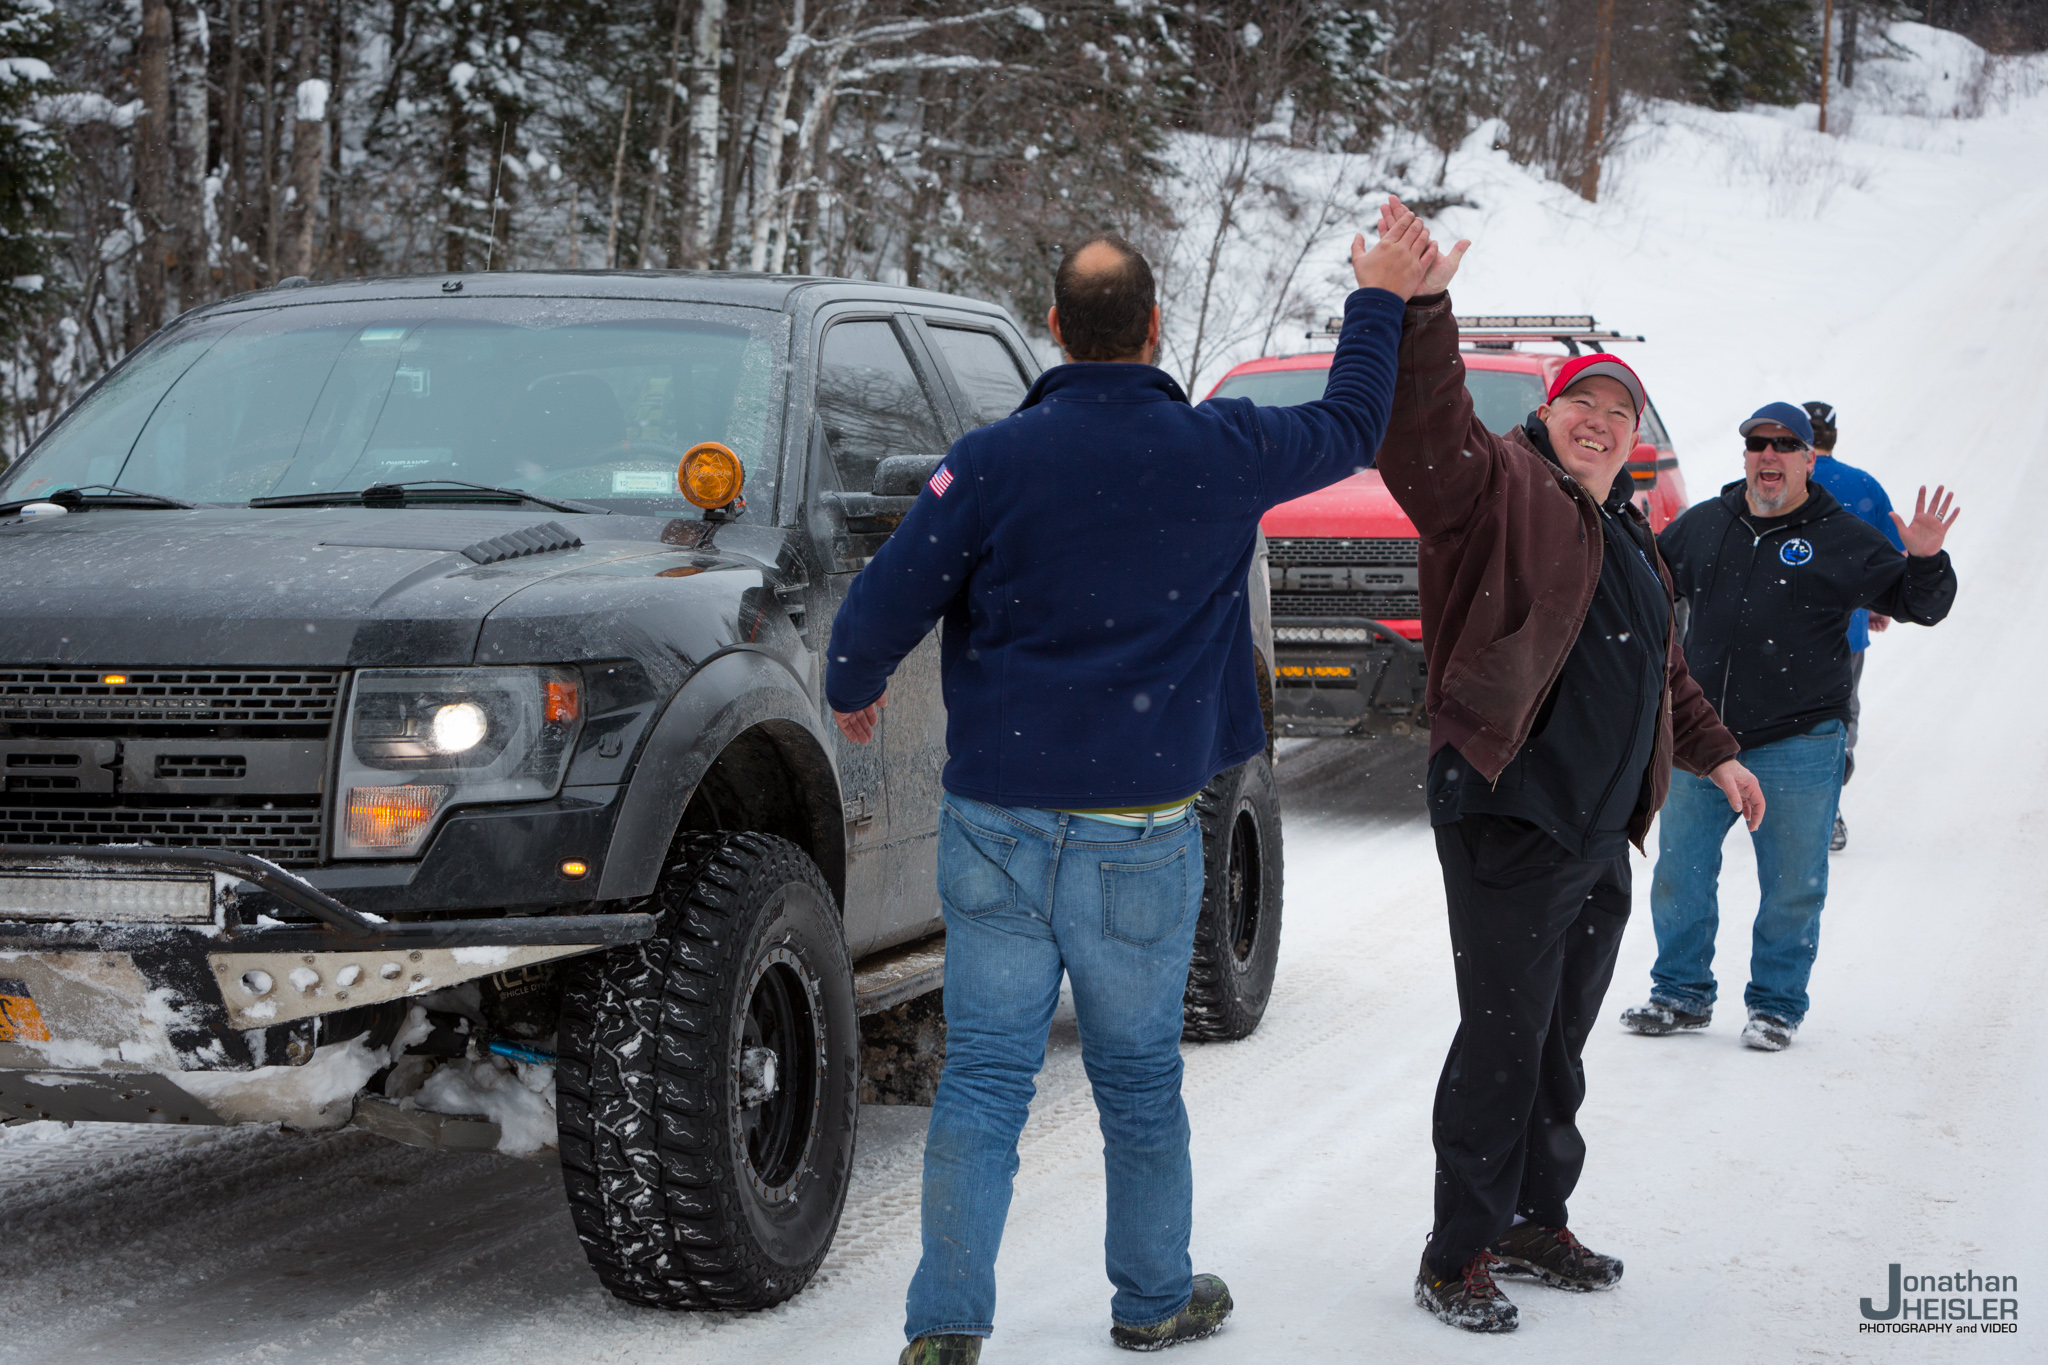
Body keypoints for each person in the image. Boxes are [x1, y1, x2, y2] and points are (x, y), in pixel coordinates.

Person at [826, 211, 1442, 1364]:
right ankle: (1153, 1299)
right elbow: (1358, 421)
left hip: (997, 828)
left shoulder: (991, 461)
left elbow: (880, 606)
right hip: (1140, 836)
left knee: (986, 1082)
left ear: (1052, 329)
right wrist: (1376, 297)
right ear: (1155, 327)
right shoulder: (1223, 449)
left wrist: (853, 682)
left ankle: (945, 1326)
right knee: (1136, 1079)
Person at [1370, 197, 1762, 1335]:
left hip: (1596, 834)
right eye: (1581, 404)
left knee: (1554, 1037)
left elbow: (1662, 680)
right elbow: (1426, 439)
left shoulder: (1631, 535)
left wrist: (1719, 756)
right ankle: (1454, 1255)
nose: (1598, 422)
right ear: (1548, 414)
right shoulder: (1497, 492)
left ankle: (1532, 1217)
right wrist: (1424, 306)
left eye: (1616, 411)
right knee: (1499, 1038)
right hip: (1507, 812)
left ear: (1635, 438)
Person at [1621, 402, 1959, 1052]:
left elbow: (1920, 604)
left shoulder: (1840, 536)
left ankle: (1776, 1004)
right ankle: (1681, 993)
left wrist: (1924, 562)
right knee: (1680, 873)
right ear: (1745, 455)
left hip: (1800, 742)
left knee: (1793, 887)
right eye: (1757, 444)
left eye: (1784, 445)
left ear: (1810, 458)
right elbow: (1646, 587)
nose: (1768, 456)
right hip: (1703, 743)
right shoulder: (1706, 526)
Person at [1801, 400, 1904, 851]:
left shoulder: (1776, 480)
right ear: (1833, 437)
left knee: (1776, 717)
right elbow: (1891, 558)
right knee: (1837, 719)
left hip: (1772, 631)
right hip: (1846, 633)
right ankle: (1826, 810)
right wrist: (1877, 604)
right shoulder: (1863, 487)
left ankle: (1766, 799)